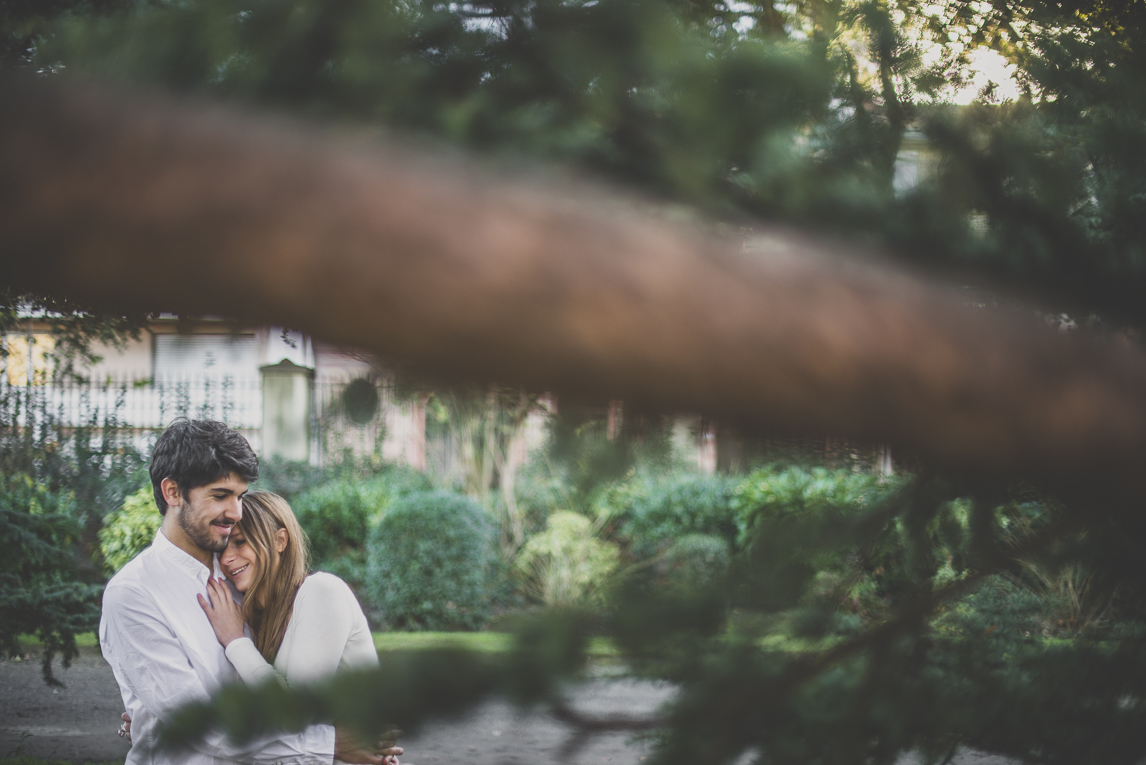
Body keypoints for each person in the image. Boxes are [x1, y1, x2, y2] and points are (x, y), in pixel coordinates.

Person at [101, 418, 390, 765]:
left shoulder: (245, 580)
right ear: (173, 492)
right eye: (220, 495)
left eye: (240, 496)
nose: (235, 512)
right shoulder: (134, 593)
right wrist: (328, 744)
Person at [195, 491, 400, 765]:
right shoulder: (260, 618)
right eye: (222, 549)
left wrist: (234, 640)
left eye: (241, 543)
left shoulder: (322, 592)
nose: (227, 559)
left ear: (280, 540)